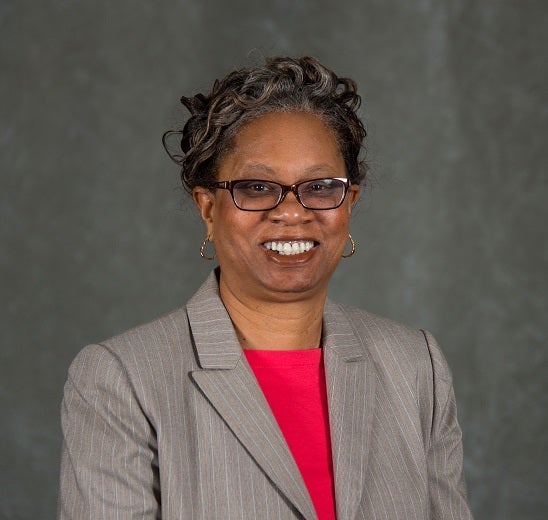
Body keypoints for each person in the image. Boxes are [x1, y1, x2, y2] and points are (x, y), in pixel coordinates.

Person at [58, 56, 473, 519]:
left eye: (319, 187)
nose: (293, 212)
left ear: (348, 203)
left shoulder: (416, 366)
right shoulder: (121, 380)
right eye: (257, 187)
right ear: (209, 209)